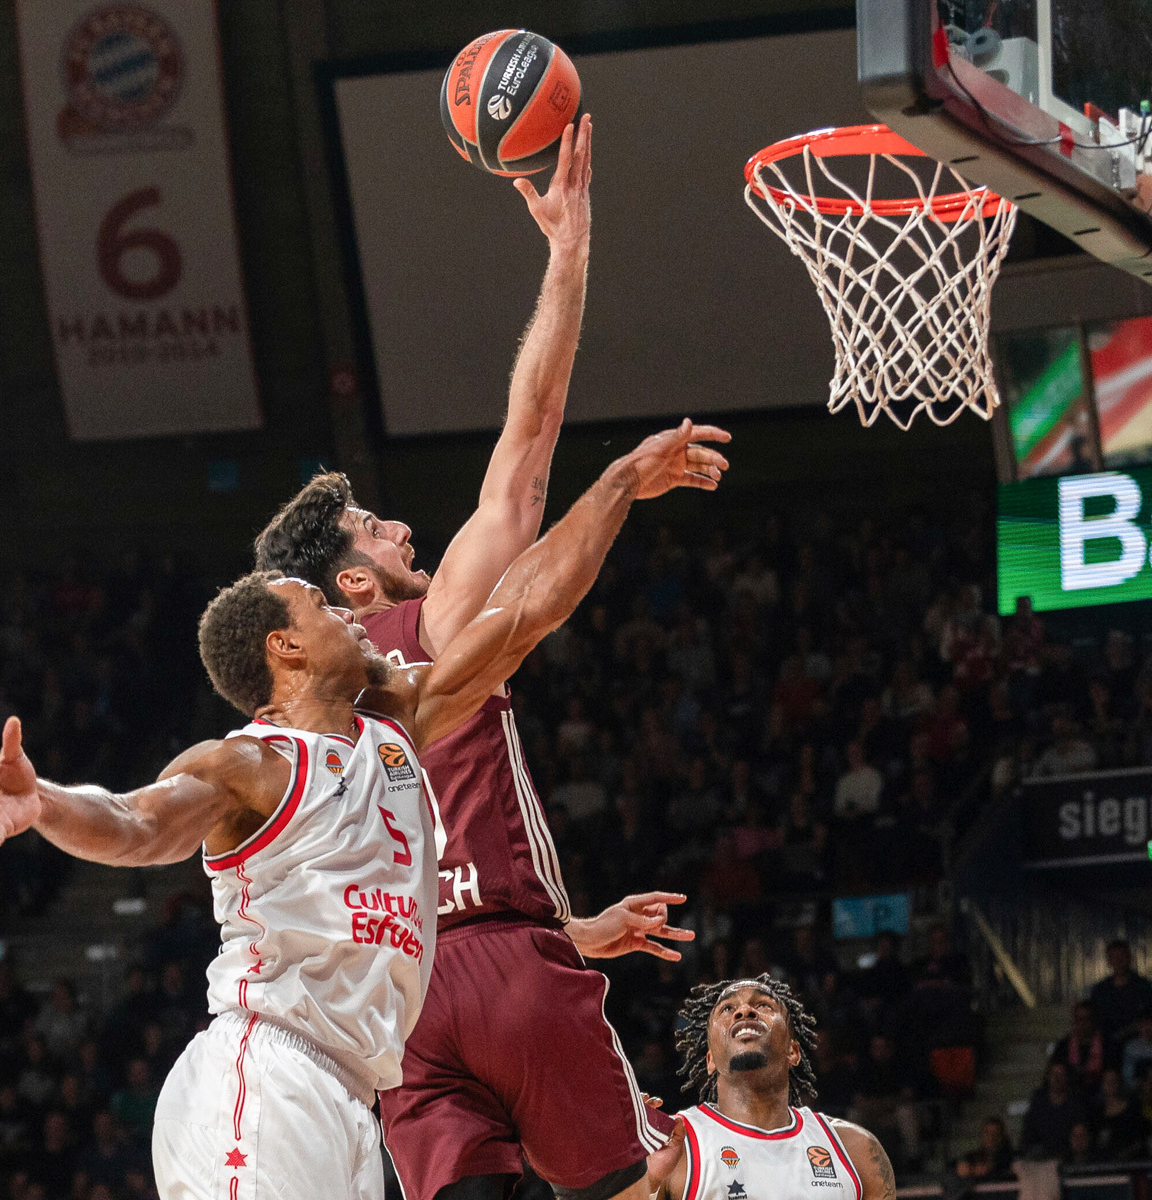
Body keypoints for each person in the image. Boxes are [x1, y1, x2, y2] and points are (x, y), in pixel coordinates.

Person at [0, 419, 731, 1200]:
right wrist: (45, 804)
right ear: (284, 649)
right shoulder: (249, 763)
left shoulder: (394, 735)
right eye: (321, 613)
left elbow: (527, 612)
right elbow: (136, 822)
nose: (349, 618)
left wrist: (617, 485)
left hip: (352, 1094)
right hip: (264, 1074)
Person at [252, 136, 740, 1200]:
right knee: (646, 1184)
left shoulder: (284, 720)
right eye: (376, 532)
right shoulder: (430, 629)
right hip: (507, 965)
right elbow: (527, 451)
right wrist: (568, 250)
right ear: (352, 592)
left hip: (396, 1006)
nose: (401, 530)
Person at [647, 975, 895, 1200]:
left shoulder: (855, 1149)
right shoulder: (672, 1146)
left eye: (763, 1005)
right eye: (727, 1008)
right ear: (709, 1060)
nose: (744, 1010)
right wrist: (646, 1181)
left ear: (793, 1051)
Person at [1089, 940, 1152, 1041]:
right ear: (1109, 961)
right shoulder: (1100, 990)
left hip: (1139, 1043)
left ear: (1129, 958)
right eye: (1114, 957)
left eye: (1122, 956)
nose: (1118, 961)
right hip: (1108, 1044)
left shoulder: (1143, 986)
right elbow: (1095, 1020)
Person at [1023, 1062, 1091, 1159]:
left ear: (1067, 1077)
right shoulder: (1038, 1103)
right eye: (1054, 1074)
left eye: (1061, 1074)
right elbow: (1029, 1131)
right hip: (1043, 1156)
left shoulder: (1076, 1103)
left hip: (1069, 1156)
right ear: (1048, 1076)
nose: (1057, 1078)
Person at [954, 1117, 1014, 1181]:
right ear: (982, 1135)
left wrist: (989, 1169)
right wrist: (968, 1168)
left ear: (1001, 1136)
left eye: (995, 1133)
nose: (990, 1137)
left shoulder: (1010, 1157)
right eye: (987, 1133)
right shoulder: (972, 1156)